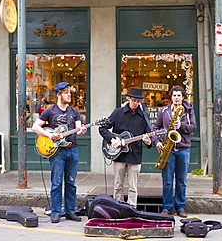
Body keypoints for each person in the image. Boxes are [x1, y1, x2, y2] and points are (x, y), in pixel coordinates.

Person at [32, 82, 87, 223]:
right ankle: (56, 212)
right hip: (57, 151)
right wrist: (48, 135)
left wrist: (81, 131)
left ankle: (70, 211)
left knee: (71, 183)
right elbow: (35, 127)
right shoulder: (50, 111)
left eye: (69, 92)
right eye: (65, 92)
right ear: (58, 94)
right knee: (56, 182)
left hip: (72, 149)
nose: (69, 95)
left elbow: (78, 129)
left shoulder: (74, 112)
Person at [99, 87, 152, 208]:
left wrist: (148, 142)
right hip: (119, 154)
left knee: (133, 187)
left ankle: (132, 209)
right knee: (118, 185)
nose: (135, 103)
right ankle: (118, 207)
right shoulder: (118, 112)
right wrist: (112, 139)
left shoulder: (144, 116)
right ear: (128, 98)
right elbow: (102, 128)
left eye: (138, 101)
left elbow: (149, 135)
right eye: (133, 100)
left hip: (135, 155)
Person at [152, 85, 197, 218]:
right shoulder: (164, 110)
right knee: (167, 181)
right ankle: (166, 207)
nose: (176, 98)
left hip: (183, 149)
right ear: (171, 97)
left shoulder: (189, 110)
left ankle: (181, 207)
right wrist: (157, 142)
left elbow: (193, 127)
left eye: (179, 95)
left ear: (183, 97)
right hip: (168, 149)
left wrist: (181, 125)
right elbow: (155, 127)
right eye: (174, 95)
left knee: (181, 180)